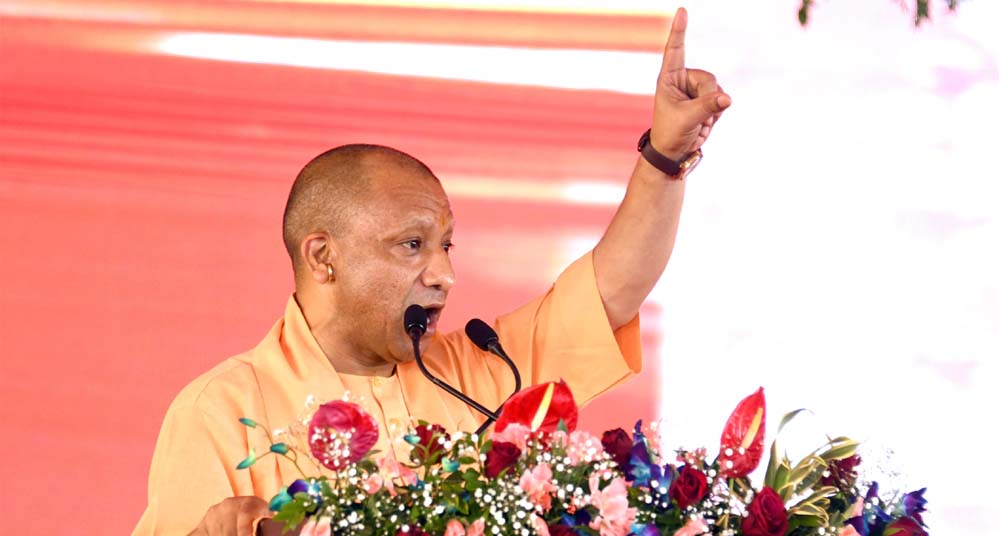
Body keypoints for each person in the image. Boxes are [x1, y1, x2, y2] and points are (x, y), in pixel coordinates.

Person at [133, 7, 730, 535]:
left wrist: (666, 157)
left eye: (447, 245)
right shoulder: (222, 410)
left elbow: (612, 290)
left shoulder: (484, 372)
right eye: (412, 245)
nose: (445, 274)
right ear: (322, 257)